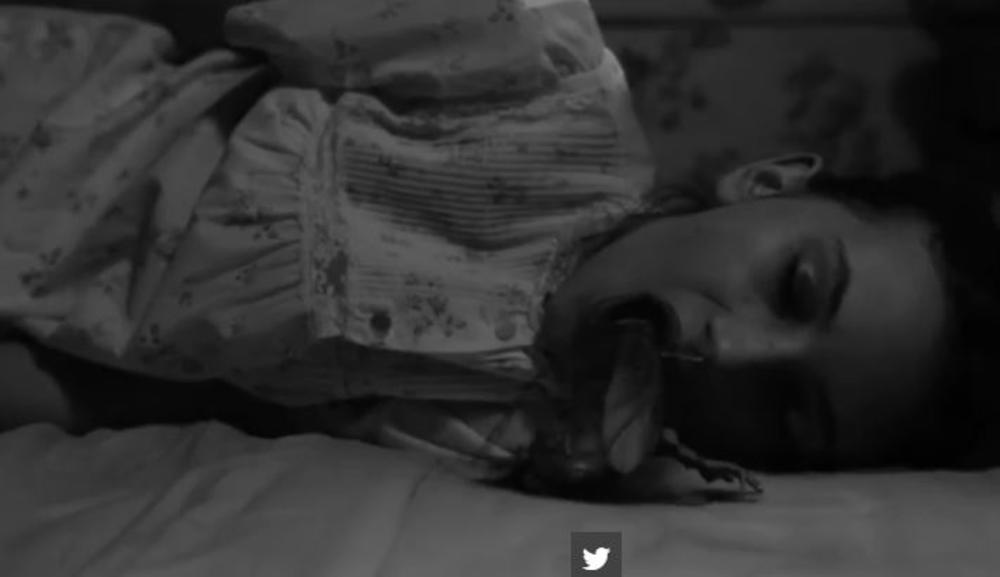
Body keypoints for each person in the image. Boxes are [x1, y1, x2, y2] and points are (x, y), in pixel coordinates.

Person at [0, 0, 996, 498]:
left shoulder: (503, 448)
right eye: (794, 285)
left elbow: (190, 391)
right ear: (769, 181)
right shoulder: (540, 75)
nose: (728, 351)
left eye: (788, 409)